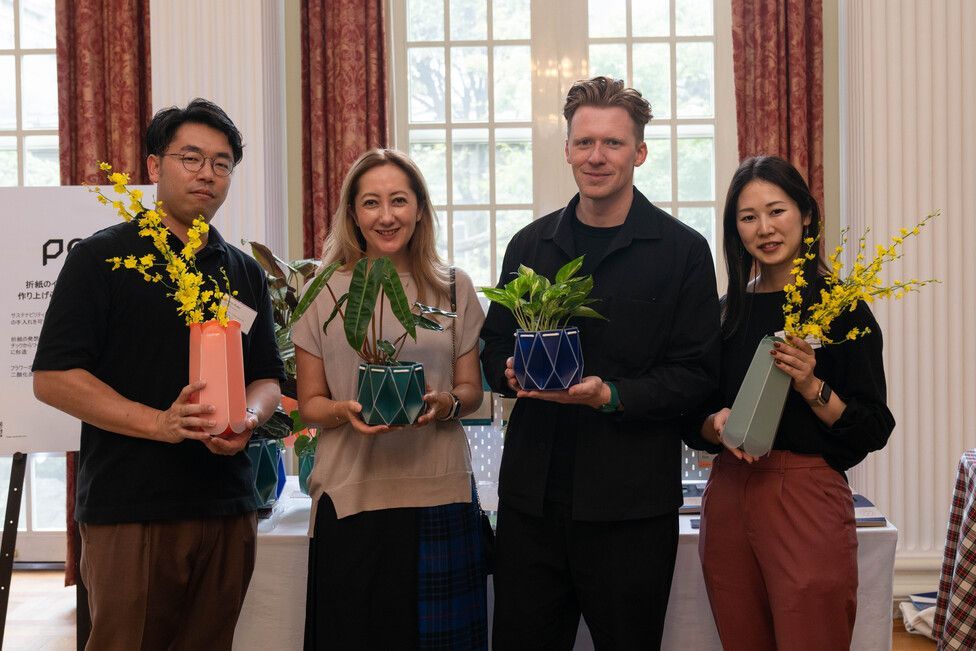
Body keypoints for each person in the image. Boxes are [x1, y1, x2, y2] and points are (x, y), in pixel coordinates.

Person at [32, 99, 284, 650]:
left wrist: (248, 415)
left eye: (221, 164)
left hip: (227, 504)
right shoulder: (103, 258)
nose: (206, 174)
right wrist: (158, 423)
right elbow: (53, 376)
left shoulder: (242, 272)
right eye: (190, 157)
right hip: (132, 507)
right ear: (153, 166)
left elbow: (267, 376)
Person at [480, 76, 721, 649]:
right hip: (531, 505)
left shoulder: (683, 251)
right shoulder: (530, 246)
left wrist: (610, 395)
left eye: (613, 144)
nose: (596, 156)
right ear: (566, 149)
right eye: (584, 142)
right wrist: (508, 372)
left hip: (632, 511)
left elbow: (696, 376)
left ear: (639, 152)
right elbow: (493, 346)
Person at [690, 155, 896, 650]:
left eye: (776, 211)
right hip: (729, 493)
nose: (764, 228)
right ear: (734, 229)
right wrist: (714, 425)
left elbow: (872, 427)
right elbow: (692, 411)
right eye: (748, 217)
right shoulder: (725, 313)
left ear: (806, 214)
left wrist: (811, 385)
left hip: (805, 493)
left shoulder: (842, 309)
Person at [293, 148, 488, 650]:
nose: (386, 216)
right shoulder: (322, 289)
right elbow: (310, 402)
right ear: (353, 213)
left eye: (399, 201)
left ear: (419, 208)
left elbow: (472, 391)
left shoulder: (451, 287)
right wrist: (345, 411)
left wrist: (443, 404)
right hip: (351, 496)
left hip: (437, 493)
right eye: (371, 202)